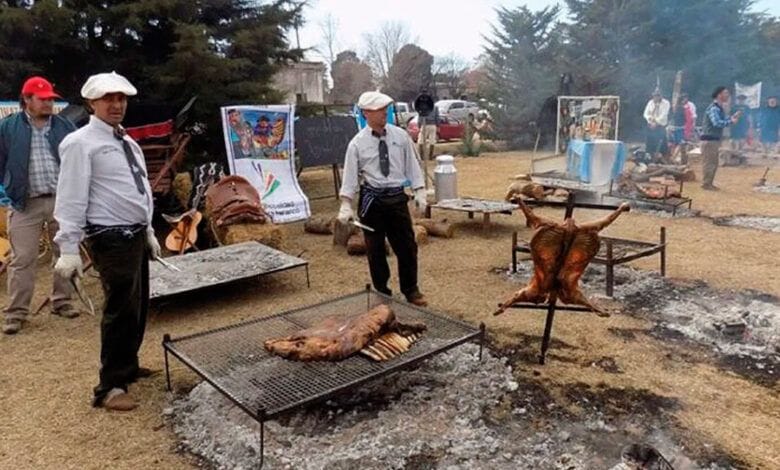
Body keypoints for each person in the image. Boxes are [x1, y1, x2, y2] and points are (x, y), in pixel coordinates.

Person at [53, 72, 161, 411]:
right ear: (91, 103)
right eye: (108, 99)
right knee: (119, 309)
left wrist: (149, 230)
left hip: (133, 234)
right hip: (110, 237)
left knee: (137, 305)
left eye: (121, 99)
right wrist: (68, 248)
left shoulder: (126, 141)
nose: (116, 105)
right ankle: (110, 386)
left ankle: (127, 366)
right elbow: (70, 197)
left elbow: (138, 189)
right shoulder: (80, 143)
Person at [0, 76, 78, 335]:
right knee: (22, 259)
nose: (48, 104)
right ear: (27, 100)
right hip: (25, 203)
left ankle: (62, 302)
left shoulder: (64, 126)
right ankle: (16, 313)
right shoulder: (8, 127)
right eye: (42, 99)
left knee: (64, 252)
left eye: (51, 99)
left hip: (61, 201)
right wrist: (8, 188)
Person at [338, 91, 428, 307]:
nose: (383, 113)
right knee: (375, 249)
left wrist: (420, 190)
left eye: (385, 109)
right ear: (366, 113)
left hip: (396, 199)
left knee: (407, 246)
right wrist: (345, 204)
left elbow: (412, 165)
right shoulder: (356, 144)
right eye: (378, 110)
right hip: (372, 202)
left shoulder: (400, 136)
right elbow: (350, 175)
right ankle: (382, 292)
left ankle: (411, 289)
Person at [700, 86, 741, 190]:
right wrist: (731, 121)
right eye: (725, 93)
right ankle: (706, 184)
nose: (727, 95)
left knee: (713, 162)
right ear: (719, 95)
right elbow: (717, 123)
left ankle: (709, 183)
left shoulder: (718, 108)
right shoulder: (714, 108)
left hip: (713, 139)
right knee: (709, 163)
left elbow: (721, 120)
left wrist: (732, 118)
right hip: (709, 139)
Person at [642, 87, 670, 161]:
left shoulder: (666, 103)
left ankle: (664, 158)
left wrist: (656, 122)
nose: (656, 97)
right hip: (650, 126)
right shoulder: (650, 103)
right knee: (649, 143)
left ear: (661, 96)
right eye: (655, 96)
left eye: (658, 96)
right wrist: (649, 119)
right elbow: (645, 113)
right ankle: (650, 158)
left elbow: (664, 114)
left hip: (660, 126)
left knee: (662, 144)